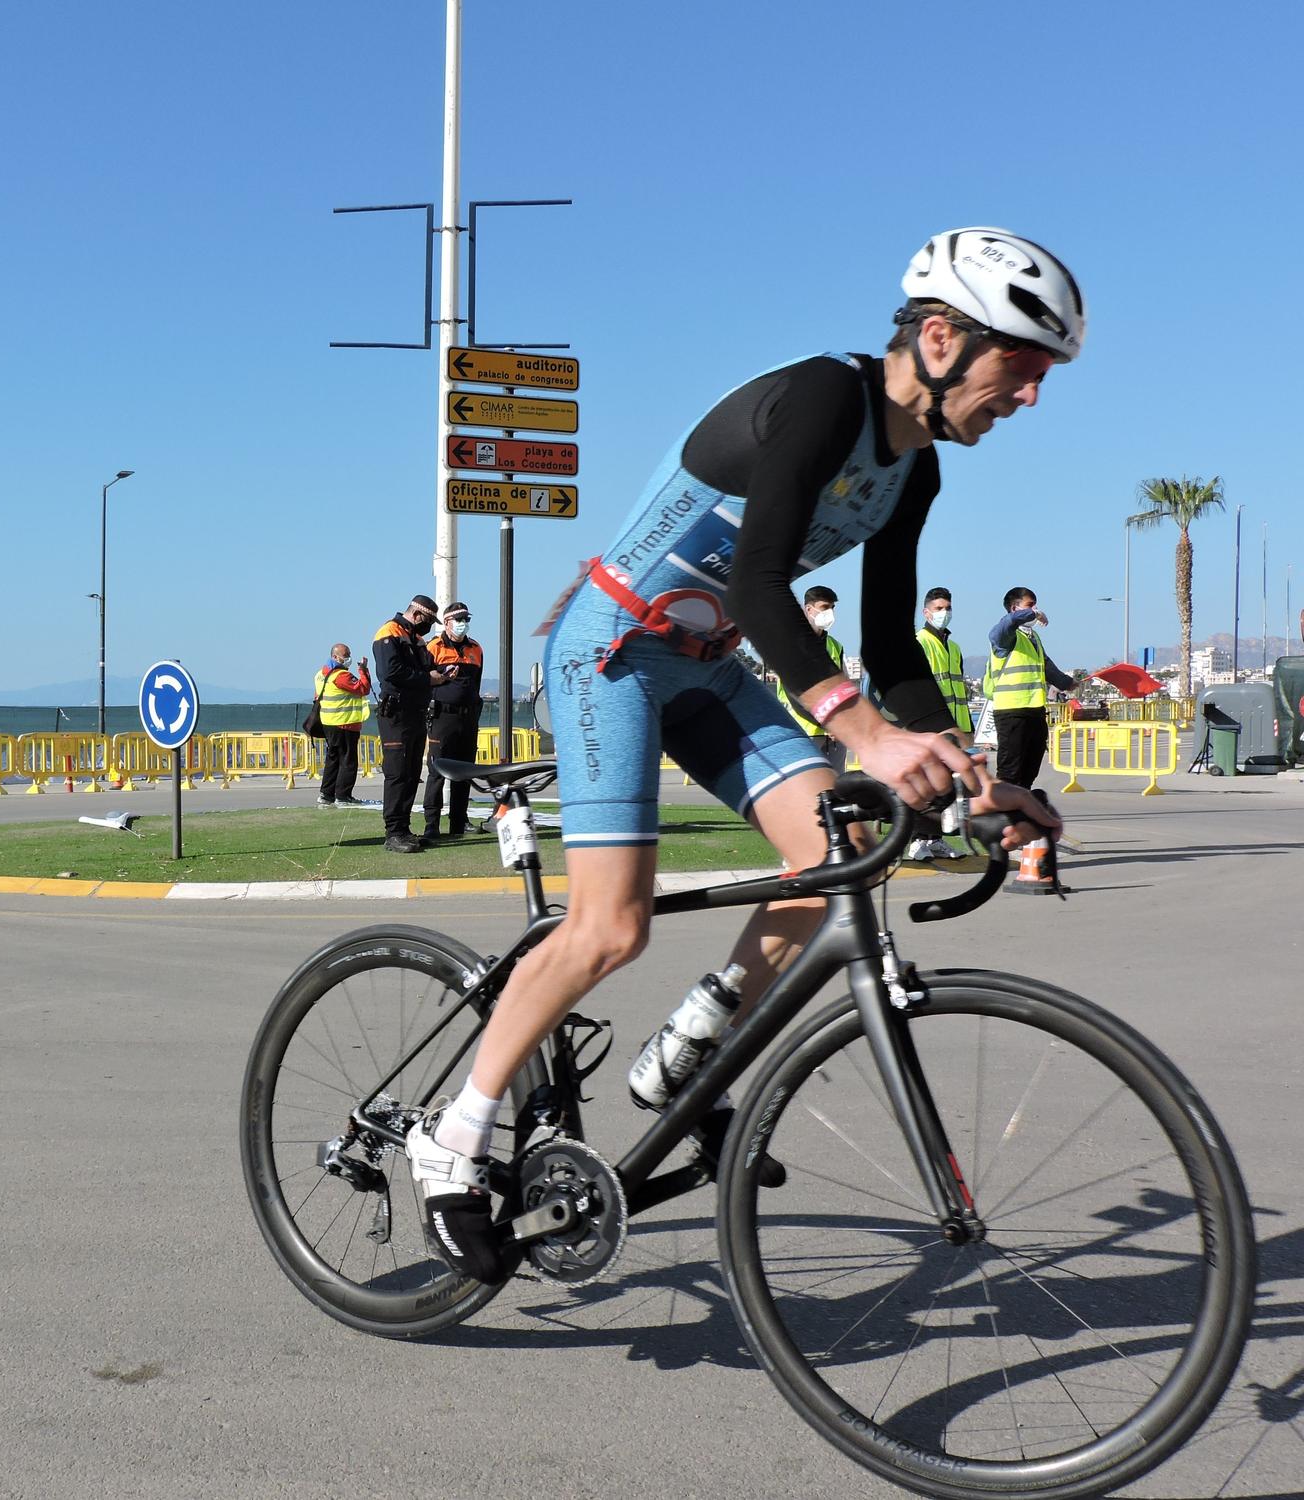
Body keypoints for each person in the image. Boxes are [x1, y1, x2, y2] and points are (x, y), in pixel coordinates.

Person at [402, 226, 1074, 1283]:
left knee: (839, 847)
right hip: (613, 652)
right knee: (608, 926)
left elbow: (892, 643)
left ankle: (689, 1053)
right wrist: (860, 731)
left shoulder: (916, 473)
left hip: (708, 667)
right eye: (1021, 368)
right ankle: (451, 1137)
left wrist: (969, 771)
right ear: (939, 339)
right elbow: (763, 584)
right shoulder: (821, 397)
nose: (1030, 395)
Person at [986, 587, 1085, 789]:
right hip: (1012, 712)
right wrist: (1032, 614)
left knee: (1030, 768)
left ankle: (1023, 807)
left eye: (1035, 605)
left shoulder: (1032, 638)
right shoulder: (1006, 636)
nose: (1036, 609)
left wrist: (1067, 683)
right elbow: (1003, 626)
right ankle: (1004, 813)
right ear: (1015, 608)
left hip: (1035, 711)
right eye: (1030, 605)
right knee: (1009, 771)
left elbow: (1047, 667)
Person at [908, 587, 974, 859]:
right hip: (929, 726)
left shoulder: (954, 647)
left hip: (953, 727)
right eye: (938, 608)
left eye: (947, 608)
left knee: (945, 788)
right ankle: (916, 841)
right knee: (926, 785)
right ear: (926, 612)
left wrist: (966, 727)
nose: (944, 613)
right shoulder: (919, 641)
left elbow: (958, 690)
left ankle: (934, 839)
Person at [371, 594, 438, 852]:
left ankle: (404, 828)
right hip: (396, 713)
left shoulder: (417, 639)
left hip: (415, 712)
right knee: (398, 773)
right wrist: (427, 679)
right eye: (429, 620)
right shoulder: (389, 632)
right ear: (417, 615)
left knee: (411, 773)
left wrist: (439, 674)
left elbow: (427, 669)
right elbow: (391, 672)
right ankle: (393, 832)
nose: (429, 626)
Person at [422, 602, 484, 839]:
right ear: (446, 623)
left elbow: (476, 683)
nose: (463, 624)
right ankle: (432, 825)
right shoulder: (434, 647)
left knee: (464, 771)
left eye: (466, 619)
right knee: (437, 771)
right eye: (458, 620)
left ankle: (459, 821)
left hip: (468, 717)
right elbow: (423, 680)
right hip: (442, 716)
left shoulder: (475, 648)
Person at [781, 586, 846, 757]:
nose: (830, 613)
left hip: (836, 734)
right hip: (803, 731)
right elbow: (794, 693)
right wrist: (827, 724)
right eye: (825, 607)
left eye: (832, 608)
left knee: (837, 783)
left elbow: (841, 688)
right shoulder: (791, 644)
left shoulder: (835, 646)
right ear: (809, 609)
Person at [313, 645, 371, 809]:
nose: (349, 658)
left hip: (328, 722)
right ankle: (343, 795)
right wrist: (363, 670)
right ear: (336, 657)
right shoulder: (341, 675)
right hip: (345, 723)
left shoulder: (320, 675)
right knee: (348, 761)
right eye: (346, 655)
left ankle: (326, 794)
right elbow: (363, 688)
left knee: (332, 759)